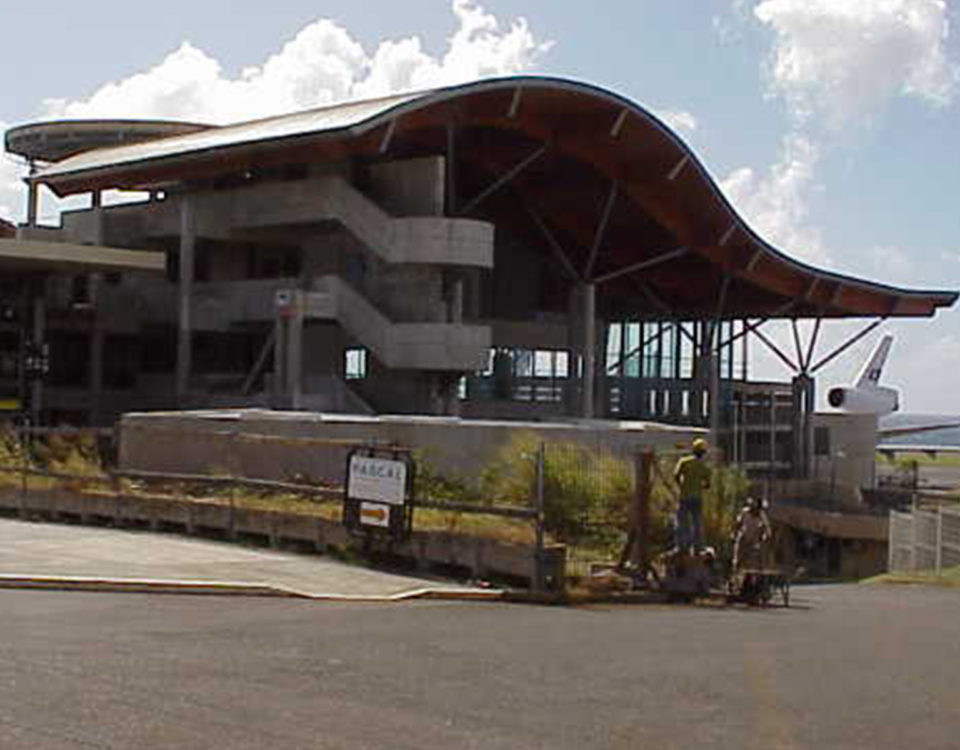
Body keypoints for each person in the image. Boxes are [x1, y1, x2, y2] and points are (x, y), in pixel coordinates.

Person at [673, 438, 711, 553]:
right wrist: (700, 487)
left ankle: (682, 546)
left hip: (684, 496)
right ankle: (698, 547)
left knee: (682, 522)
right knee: (697, 522)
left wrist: (681, 486)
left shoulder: (684, 461)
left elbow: (676, 475)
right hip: (697, 497)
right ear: (703, 453)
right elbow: (708, 484)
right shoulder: (703, 466)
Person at [733, 497, 772, 572]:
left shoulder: (761, 515)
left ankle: (755, 573)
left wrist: (763, 537)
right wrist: (735, 533)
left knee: (754, 558)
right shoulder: (745, 512)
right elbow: (738, 523)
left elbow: (767, 530)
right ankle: (736, 572)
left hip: (753, 540)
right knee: (739, 558)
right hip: (743, 538)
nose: (757, 511)